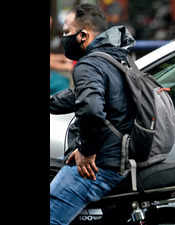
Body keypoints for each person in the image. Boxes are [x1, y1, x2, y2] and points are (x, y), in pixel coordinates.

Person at [49, 3, 136, 225]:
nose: (64, 37)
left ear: (83, 35)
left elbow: (91, 110)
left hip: (104, 162)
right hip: (118, 154)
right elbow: (81, 95)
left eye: (67, 32)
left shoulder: (89, 65)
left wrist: (86, 150)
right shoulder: (114, 57)